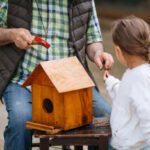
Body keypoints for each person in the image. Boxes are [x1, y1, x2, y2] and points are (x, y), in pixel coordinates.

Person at [0, 0, 113, 150]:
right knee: (20, 121)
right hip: (24, 80)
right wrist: (12, 34)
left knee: (109, 118)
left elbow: (93, 39)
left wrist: (98, 53)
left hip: (72, 83)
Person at [103, 16, 150, 150]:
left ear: (118, 50)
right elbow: (125, 97)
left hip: (136, 147)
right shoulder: (134, 73)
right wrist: (111, 82)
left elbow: (147, 115)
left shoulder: (139, 77)